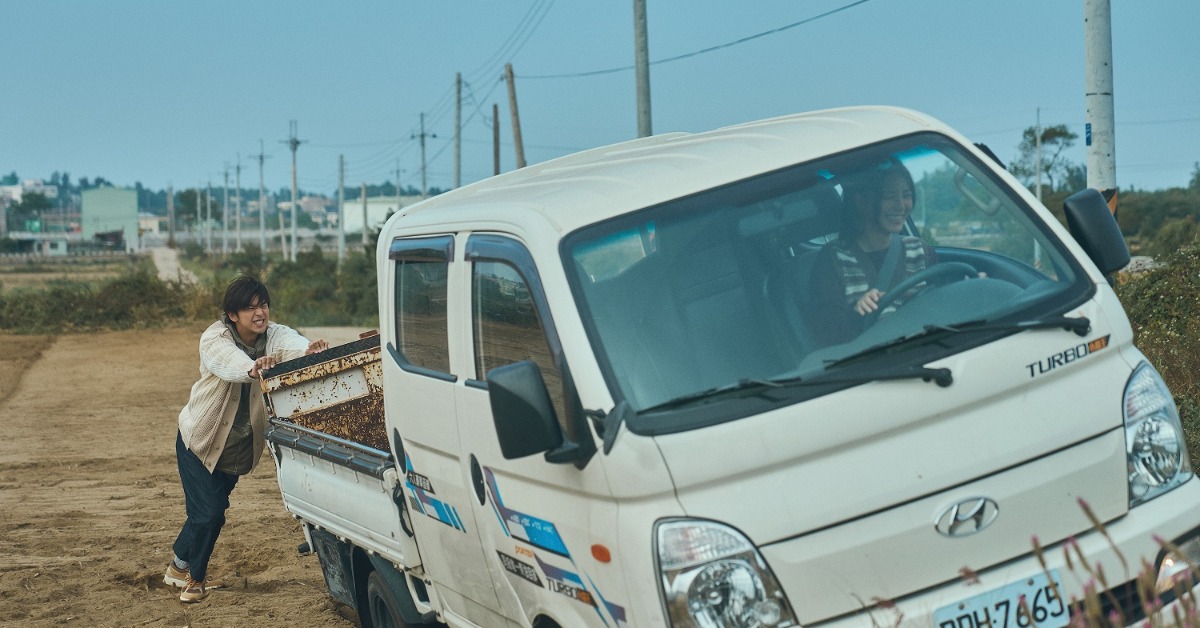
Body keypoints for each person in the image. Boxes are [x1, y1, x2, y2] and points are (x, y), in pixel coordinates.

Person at [164, 276, 328, 603]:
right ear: (232, 314)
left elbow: (291, 343)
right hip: (199, 443)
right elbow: (227, 362)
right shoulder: (215, 337)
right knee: (210, 514)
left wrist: (308, 350)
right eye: (249, 308)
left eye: (263, 305)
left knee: (207, 511)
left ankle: (176, 567)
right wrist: (253, 368)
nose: (259, 312)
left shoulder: (274, 335)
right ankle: (194, 581)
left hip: (237, 452)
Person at [810, 158, 935, 345]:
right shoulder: (832, 261)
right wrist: (857, 313)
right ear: (861, 201)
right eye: (889, 197)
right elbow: (826, 335)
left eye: (906, 195)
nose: (901, 205)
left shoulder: (921, 250)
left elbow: (943, 303)